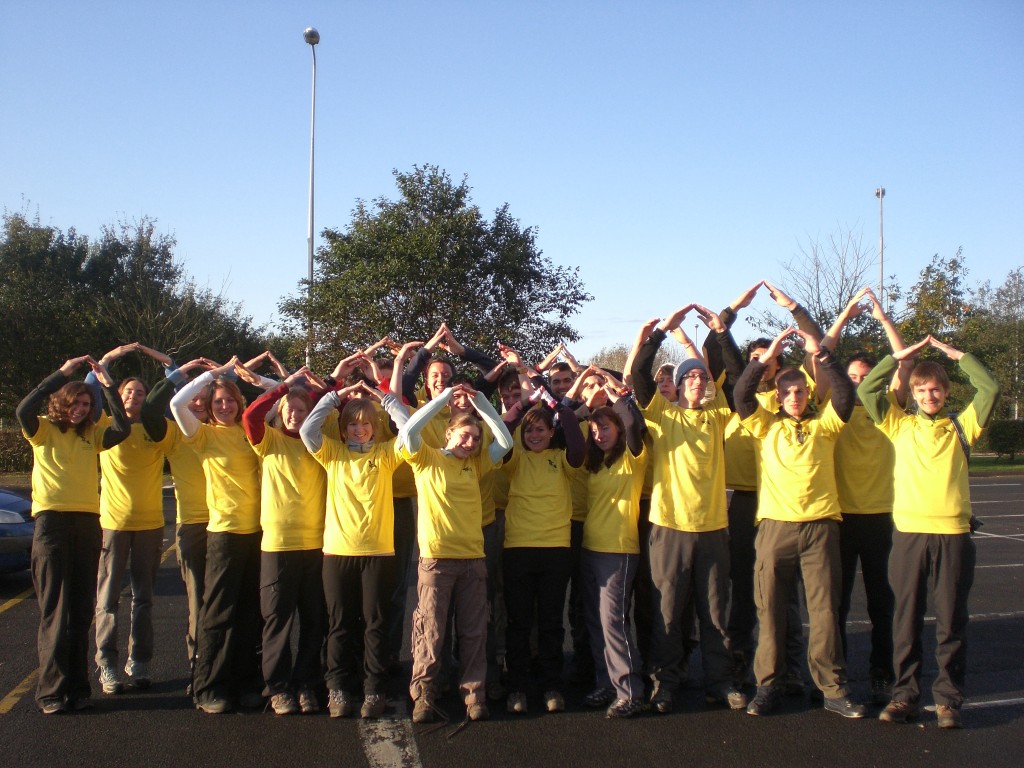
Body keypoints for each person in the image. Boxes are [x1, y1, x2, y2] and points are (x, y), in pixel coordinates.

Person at [859, 335, 999, 729]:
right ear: (914, 394)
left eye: (935, 389)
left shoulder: (962, 426)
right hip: (909, 535)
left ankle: (948, 701)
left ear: (946, 391)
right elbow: (868, 389)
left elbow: (990, 387)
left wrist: (958, 355)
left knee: (952, 621)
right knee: (905, 620)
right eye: (921, 390)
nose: (928, 395)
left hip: (953, 534)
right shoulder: (898, 424)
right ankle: (904, 695)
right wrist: (898, 358)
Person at [735, 327, 865, 719]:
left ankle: (832, 688)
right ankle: (768, 685)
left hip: (821, 528)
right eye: (788, 392)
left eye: (800, 391)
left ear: (809, 394)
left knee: (824, 612)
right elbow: (741, 394)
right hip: (775, 527)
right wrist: (765, 357)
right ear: (778, 396)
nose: (794, 397)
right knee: (770, 610)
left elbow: (844, 393)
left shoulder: (825, 425)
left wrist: (822, 356)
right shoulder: (764, 425)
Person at [630, 305, 747, 714]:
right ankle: (665, 683)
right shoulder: (662, 415)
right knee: (668, 611)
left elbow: (738, 377)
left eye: (701, 375)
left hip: (713, 528)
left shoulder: (718, 416)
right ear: (678, 387)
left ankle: (721, 681)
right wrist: (661, 332)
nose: (696, 380)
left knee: (715, 612)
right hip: (669, 528)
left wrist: (721, 332)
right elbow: (639, 376)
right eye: (689, 376)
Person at [17, 356, 130, 714]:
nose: (81, 409)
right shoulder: (41, 430)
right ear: (61, 404)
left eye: (86, 404)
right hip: (52, 525)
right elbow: (25, 406)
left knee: (81, 610)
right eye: (75, 403)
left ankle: (78, 689)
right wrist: (64, 372)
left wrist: (107, 384)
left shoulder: (92, 435)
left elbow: (123, 427)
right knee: (56, 611)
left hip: (86, 523)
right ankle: (51, 693)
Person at [300, 355, 411, 720]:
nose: (359, 429)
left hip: (379, 552)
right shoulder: (332, 453)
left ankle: (374, 690)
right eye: (353, 424)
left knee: (375, 625)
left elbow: (410, 432)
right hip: (337, 551)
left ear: (375, 428)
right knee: (340, 624)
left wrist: (386, 399)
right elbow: (307, 431)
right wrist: (335, 396)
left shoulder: (385, 454)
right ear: (344, 428)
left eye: (366, 424)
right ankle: (337, 689)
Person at [397, 383, 513, 724]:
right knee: (431, 630)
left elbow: (505, 441)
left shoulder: (475, 465)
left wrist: (481, 407)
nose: (471, 443)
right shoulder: (426, 458)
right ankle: (424, 694)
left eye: (475, 438)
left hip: (473, 559)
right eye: (464, 436)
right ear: (449, 434)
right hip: (436, 559)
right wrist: (444, 399)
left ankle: (474, 695)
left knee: (475, 631)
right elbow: (408, 431)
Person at [820, 287, 906, 704]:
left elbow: (902, 360)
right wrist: (844, 315)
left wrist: (884, 319)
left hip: (880, 518)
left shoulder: (888, 408)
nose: (856, 383)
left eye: (864, 377)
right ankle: (837, 678)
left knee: (880, 604)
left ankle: (881, 671)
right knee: (835, 607)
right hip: (840, 518)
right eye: (851, 377)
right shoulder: (833, 411)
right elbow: (822, 354)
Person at [171, 357, 262, 714]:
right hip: (223, 532)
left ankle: (245, 683)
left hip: (256, 531)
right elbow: (177, 403)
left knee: (249, 612)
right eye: (218, 402)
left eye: (230, 401)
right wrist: (215, 374)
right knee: (218, 613)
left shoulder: (250, 432)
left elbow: (281, 400)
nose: (225, 406)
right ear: (209, 408)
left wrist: (251, 379)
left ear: (240, 403)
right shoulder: (203, 435)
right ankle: (209, 686)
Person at [87, 343, 175, 695]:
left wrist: (155, 355)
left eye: (140, 392)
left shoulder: (159, 430)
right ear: (118, 395)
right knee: (107, 600)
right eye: (128, 391)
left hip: (151, 525)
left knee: (144, 599)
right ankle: (107, 663)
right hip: (114, 523)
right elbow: (92, 383)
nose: (135, 396)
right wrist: (111, 357)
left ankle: (139, 661)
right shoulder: (105, 426)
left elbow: (175, 379)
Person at [242, 367, 328, 716]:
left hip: (317, 544)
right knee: (277, 620)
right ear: (282, 413)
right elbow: (251, 414)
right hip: (278, 545)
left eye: (301, 410)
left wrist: (327, 387)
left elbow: (330, 404)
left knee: (314, 620)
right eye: (290, 410)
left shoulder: (318, 444)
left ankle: (306, 683)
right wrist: (283, 389)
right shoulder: (268, 441)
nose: (295, 415)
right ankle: (278, 687)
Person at [500, 388, 585, 715]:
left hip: (555, 549)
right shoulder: (515, 457)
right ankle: (517, 686)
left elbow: (577, 446)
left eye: (540, 429)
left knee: (551, 622)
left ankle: (552, 684)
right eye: (529, 430)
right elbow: (503, 431)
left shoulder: (561, 459)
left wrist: (557, 405)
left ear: (551, 432)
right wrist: (521, 405)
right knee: (519, 622)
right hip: (518, 548)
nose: (534, 435)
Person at [140, 357, 216, 691]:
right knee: (198, 602)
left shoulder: (225, 430)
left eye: (204, 397)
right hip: (193, 526)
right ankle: (199, 670)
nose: (198, 402)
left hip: (232, 525)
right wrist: (175, 376)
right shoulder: (173, 433)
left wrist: (231, 375)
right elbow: (150, 411)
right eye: (192, 396)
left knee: (233, 601)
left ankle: (232, 667)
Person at [579, 386, 649, 718]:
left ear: (618, 429)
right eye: (594, 430)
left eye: (605, 427)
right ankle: (606, 681)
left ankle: (630, 690)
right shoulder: (596, 463)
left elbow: (634, 425)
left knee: (613, 622)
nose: (599, 435)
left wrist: (612, 394)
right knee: (594, 621)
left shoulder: (632, 457)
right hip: (591, 546)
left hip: (618, 550)